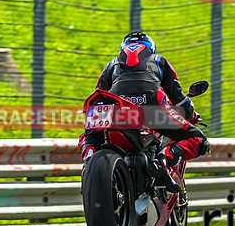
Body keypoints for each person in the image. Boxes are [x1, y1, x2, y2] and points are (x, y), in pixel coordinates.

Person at [79, 32, 210, 192]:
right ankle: (163, 159)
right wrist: (191, 114)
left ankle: (89, 157)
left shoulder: (111, 64)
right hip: (152, 110)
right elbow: (178, 98)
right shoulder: (160, 61)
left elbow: (99, 95)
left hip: (116, 109)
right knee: (199, 140)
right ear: (151, 48)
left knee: (89, 136)